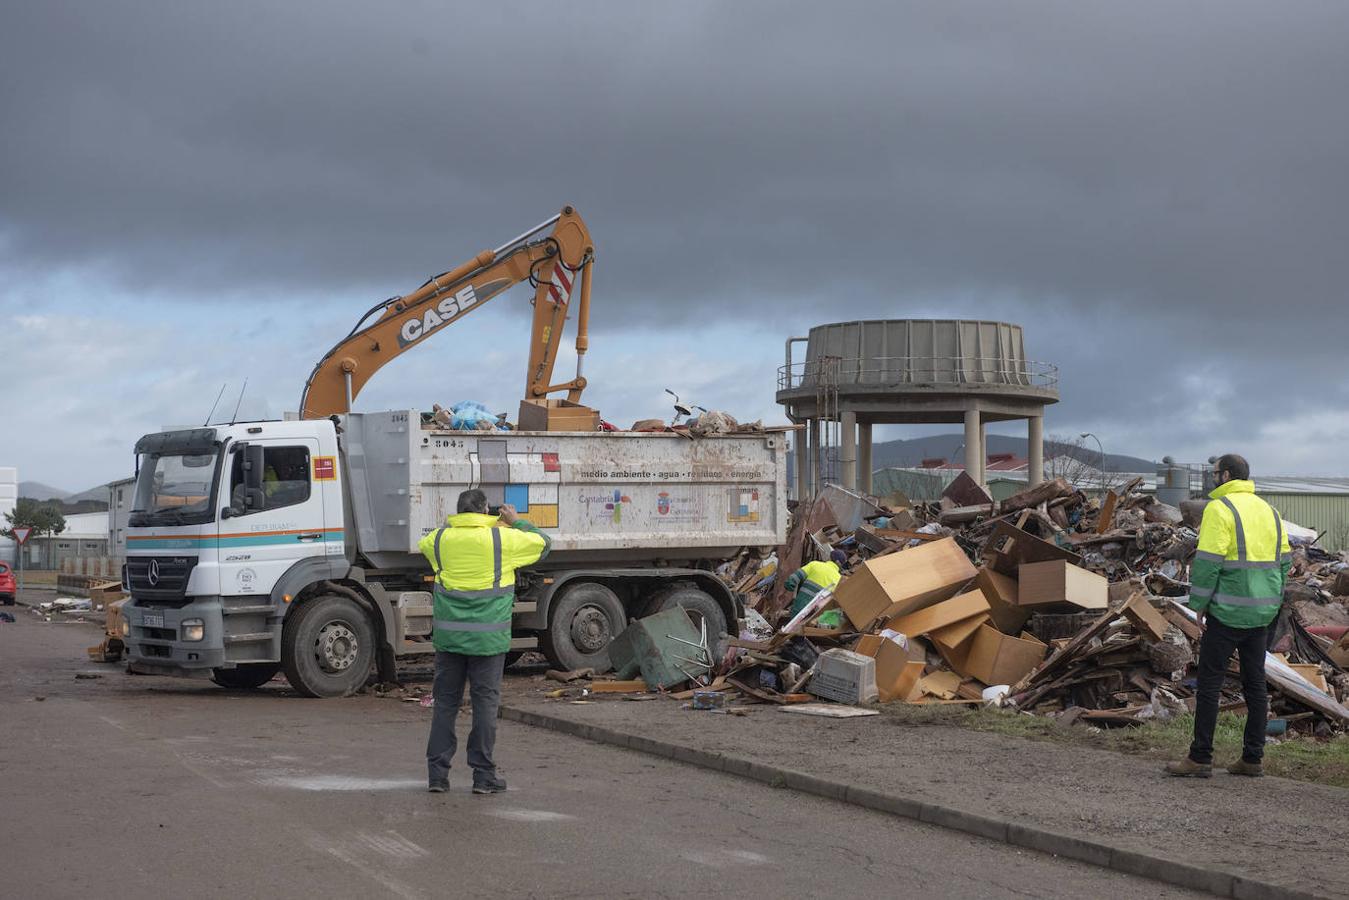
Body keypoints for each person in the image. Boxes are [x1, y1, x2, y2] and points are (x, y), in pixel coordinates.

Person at [1166, 454, 1290, 778]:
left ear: (1226, 476)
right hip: (1262, 614)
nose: (1212, 478)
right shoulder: (1271, 512)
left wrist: (1199, 604)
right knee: (1255, 686)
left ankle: (1200, 757)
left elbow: (1208, 563)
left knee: (1209, 684)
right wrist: (1271, 600)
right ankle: (1252, 758)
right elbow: (1285, 563)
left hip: (1227, 613)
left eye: (1215, 473)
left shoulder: (1220, 510)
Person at [421, 490, 551, 794]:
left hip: (449, 640)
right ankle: (483, 776)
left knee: (445, 706)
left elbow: (426, 543)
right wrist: (515, 522)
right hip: (488, 641)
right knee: (484, 707)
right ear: (485, 511)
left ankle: (437, 777)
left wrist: (451, 526)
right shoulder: (502, 540)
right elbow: (544, 544)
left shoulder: (439, 540)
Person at [784, 549, 848, 619]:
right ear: (841, 564)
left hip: (800, 604)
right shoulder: (839, 579)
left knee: (791, 623)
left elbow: (795, 577)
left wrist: (789, 586)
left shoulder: (815, 564)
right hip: (815, 614)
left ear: (830, 558)